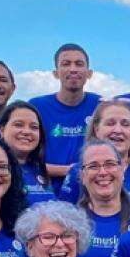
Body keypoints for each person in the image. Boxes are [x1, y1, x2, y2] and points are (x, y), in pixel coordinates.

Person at [57, 99, 130, 207]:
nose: (118, 130)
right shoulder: (78, 171)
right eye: (110, 123)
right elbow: (64, 217)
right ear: (96, 130)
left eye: (125, 124)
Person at [28, 43, 102, 188]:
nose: (73, 69)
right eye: (66, 64)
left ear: (89, 73)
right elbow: (24, 158)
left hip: (89, 189)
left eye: (79, 64)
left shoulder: (100, 105)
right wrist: (71, 170)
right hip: (45, 188)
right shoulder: (36, 106)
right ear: (55, 73)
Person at [0, 100, 56, 206]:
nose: (26, 132)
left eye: (34, 127)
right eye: (19, 125)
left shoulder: (38, 169)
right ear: (2, 130)